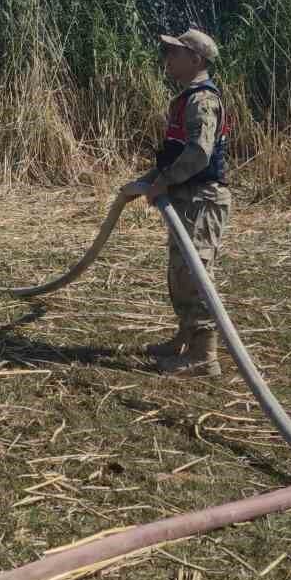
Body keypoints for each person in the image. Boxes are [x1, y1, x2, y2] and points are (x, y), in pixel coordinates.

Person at [120, 28, 233, 377]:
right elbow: (179, 150)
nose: (167, 60)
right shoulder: (187, 98)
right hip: (186, 198)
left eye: (175, 54)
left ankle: (204, 355)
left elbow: (199, 153)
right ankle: (185, 336)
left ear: (196, 59)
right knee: (180, 271)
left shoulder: (202, 100)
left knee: (194, 273)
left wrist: (164, 182)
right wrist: (154, 179)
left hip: (200, 199)